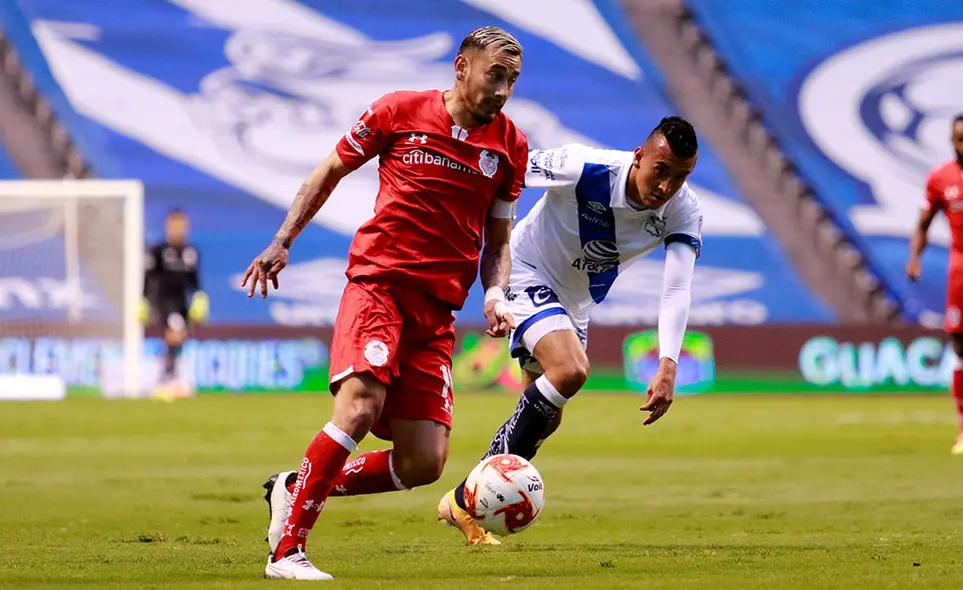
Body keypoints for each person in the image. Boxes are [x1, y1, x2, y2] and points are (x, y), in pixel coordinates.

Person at [242, 26, 528, 580]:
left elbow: (499, 242)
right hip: (379, 286)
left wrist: (495, 294)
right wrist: (283, 240)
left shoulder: (510, 147)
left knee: (424, 461)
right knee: (359, 406)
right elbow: (329, 171)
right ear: (461, 67)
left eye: (513, 80)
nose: (503, 90)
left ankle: (295, 487)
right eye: (496, 75)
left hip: (437, 312)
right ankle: (287, 553)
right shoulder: (398, 111)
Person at [432, 116, 703, 544]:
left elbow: (677, 289)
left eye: (681, 177)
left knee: (547, 418)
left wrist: (668, 362)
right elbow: (508, 174)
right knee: (572, 370)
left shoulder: (684, 209)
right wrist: (493, 279)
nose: (667, 188)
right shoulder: (583, 166)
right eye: (661, 171)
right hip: (527, 270)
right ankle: (469, 500)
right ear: (639, 157)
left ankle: (466, 498)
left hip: (574, 303)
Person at [907, 113, 963, 456]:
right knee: (962, 346)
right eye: (960, 139)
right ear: (951, 141)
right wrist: (914, 257)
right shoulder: (939, 180)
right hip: (962, 272)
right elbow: (923, 223)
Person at [140, 209, 208, 398]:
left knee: (179, 340)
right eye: (174, 225)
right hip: (164, 300)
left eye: (182, 225)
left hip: (182, 302)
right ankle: (168, 379)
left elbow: (194, 279)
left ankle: (169, 377)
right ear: (168, 227)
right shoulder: (159, 251)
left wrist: (199, 297)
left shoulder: (191, 252)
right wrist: (144, 300)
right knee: (174, 334)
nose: (178, 230)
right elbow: (148, 278)